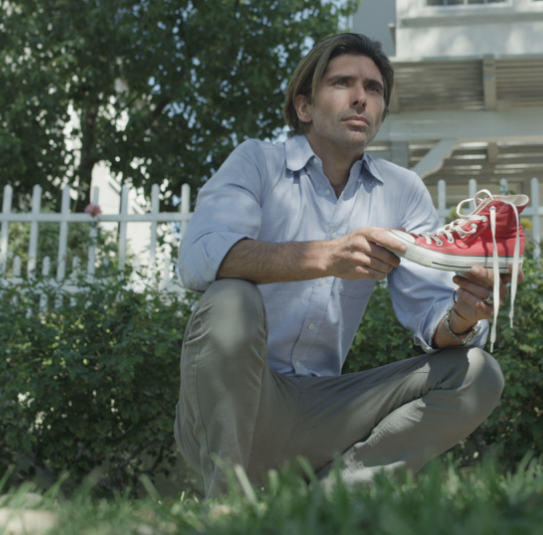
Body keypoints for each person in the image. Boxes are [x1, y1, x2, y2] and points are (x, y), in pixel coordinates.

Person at [174, 33, 507, 497]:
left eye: (373, 89)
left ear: (381, 114)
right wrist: (326, 256)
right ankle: (226, 505)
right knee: (232, 297)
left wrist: (463, 315)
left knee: (477, 372)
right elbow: (199, 258)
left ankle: (326, 504)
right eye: (342, 83)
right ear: (304, 106)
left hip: (323, 411)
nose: (360, 97)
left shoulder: (402, 190)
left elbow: (432, 316)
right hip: (231, 408)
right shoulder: (257, 162)